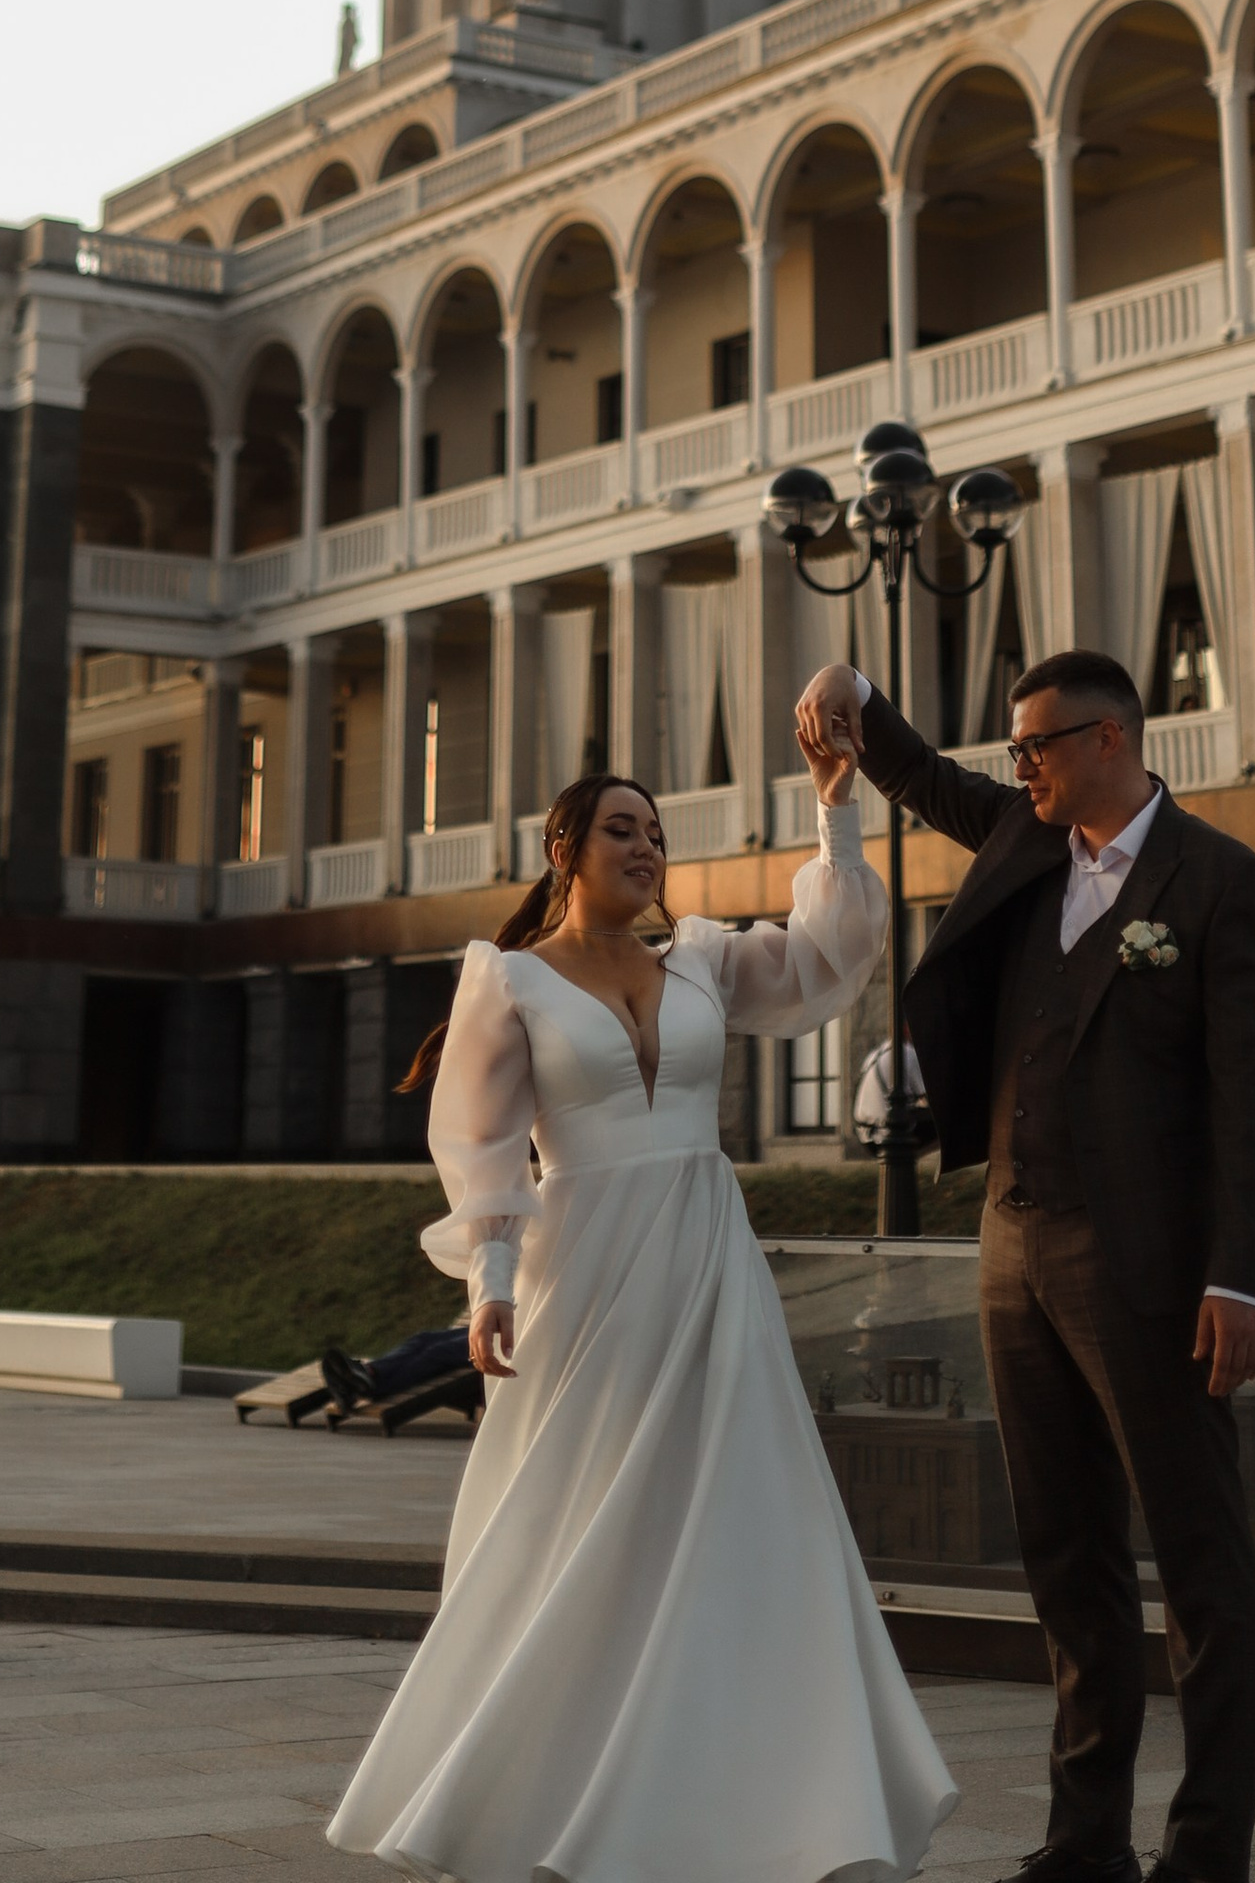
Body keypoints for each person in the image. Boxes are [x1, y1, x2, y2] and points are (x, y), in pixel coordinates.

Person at [327, 750, 953, 1883]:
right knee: (580, 1521)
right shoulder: (507, 981)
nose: (646, 846)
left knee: (741, 1515)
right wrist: (492, 1287)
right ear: (565, 848)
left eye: (656, 832)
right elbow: (476, 1149)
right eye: (621, 828)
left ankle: (757, 1792)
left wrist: (835, 808)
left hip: (709, 1263)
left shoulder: (704, 960)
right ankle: (532, 1786)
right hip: (592, 1273)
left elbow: (827, 961)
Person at [798, 647, 1255, 1883]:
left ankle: (1206, 1854)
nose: (1018, 769)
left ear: (1110, 740)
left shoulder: (1221, 882)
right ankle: (1084, 1845)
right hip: (1012, 1250)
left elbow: (1249, 1102)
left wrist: (1241, 1278)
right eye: (1012, 751)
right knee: (1065, 1559)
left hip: (1152, 1271)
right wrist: (853, 691)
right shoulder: (1024, 841)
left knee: (1201, 1568)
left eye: (1037, 747)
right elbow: (919, 773)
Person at [317, 1326, 472, 1416]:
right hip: (492, 1325)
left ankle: (369, 1386)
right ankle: (367, 1373)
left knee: (438, 1352)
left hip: (495, 1343)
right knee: (421, 1339)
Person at [851, 1033, 927, 1152]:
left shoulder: (876, 1054)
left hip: (865, 1134)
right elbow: (927, 1097)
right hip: (887, 1135)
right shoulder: (908, 1053)